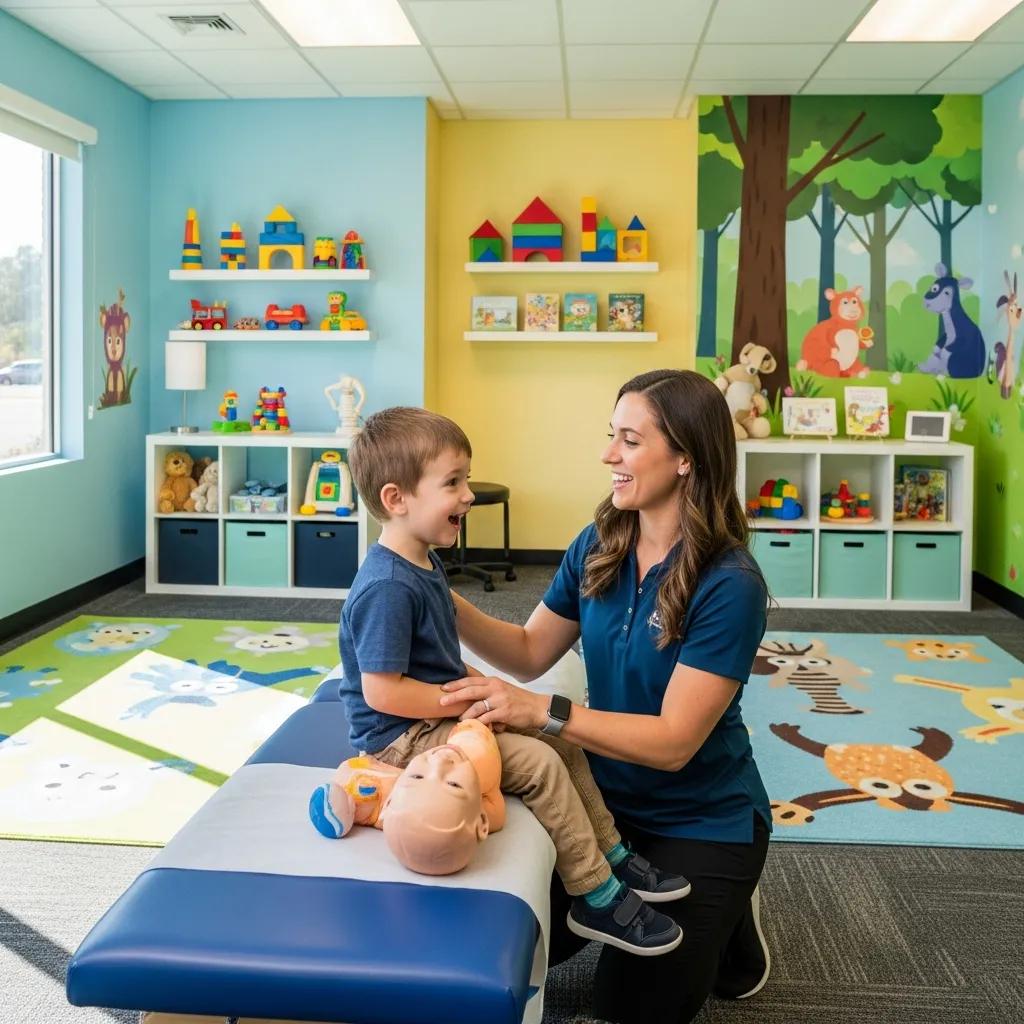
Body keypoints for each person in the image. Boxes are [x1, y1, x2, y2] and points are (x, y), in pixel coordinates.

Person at [439, 369, 773, 1024]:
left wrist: (545, 712)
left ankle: (733, 927)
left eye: (628, 440)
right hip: (604, 809)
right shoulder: (600, 542)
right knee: (519, 939)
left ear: (685, 459)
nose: (607, 456)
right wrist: (438, 598)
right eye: (609, 436)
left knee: (624, 1005)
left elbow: (676, 744)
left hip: (701, 819)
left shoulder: (731, 584)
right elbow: (532, 648)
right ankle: (709, 912)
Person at [311, 406, 692, 957]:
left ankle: (610, 850)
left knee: (563, 736)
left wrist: (475, 687)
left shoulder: (422, 563)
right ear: (397, 500)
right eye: (453, 483)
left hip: (433, 715)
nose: (467, 495)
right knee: (538, 764)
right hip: (401, 737)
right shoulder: (388, 586)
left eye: (466, 479)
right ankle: (594, 893)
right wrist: (462, 701)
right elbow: (382, 692)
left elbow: (439, 657)